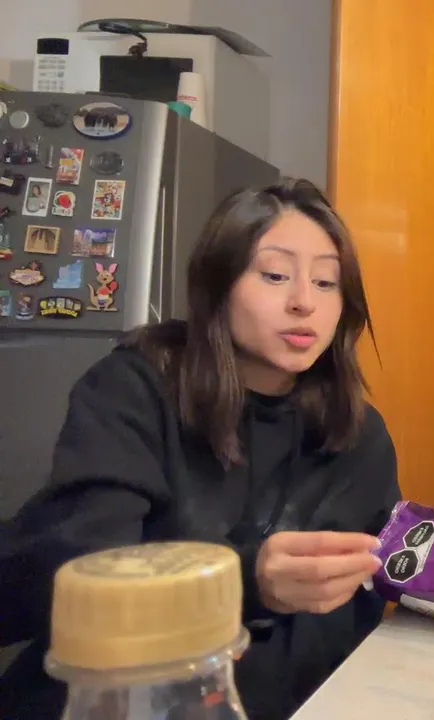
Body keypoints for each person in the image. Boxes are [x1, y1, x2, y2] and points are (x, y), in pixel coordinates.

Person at [0, 178, 401, 720]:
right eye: (275, 275)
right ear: (219, 285)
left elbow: (366, 600)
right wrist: (248, 580)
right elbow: (88, 574)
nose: (304, 302)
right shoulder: (136, 389)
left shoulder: (357, 432)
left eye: (326, 282)